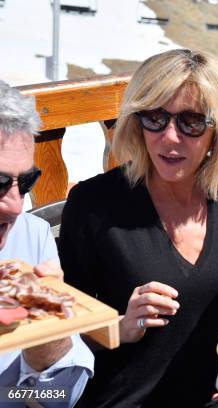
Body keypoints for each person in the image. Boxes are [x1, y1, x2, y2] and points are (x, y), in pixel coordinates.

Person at [59, 49, 218, 406]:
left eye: (191, 122)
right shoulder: (94, 204)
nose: (170, 138)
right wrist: (122, 327)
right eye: (156, 118)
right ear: (137, 120)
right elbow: (60, 335)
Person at [0, 80, 94, 408]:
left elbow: (60, 399)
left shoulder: (33, 235)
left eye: (26, 182)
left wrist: (48, 343)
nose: (15, 205)